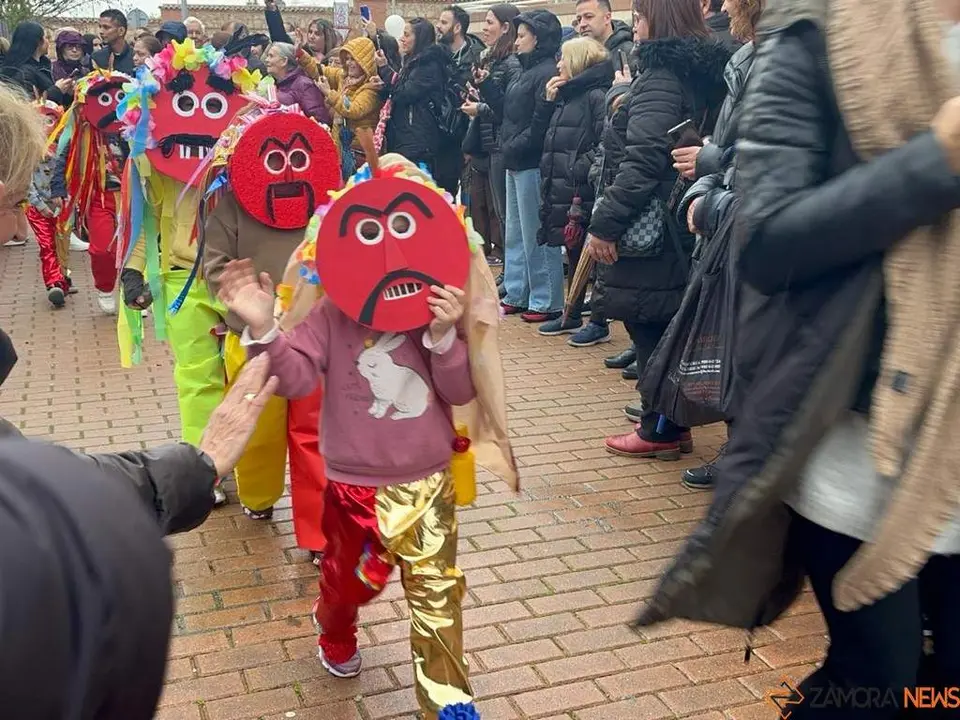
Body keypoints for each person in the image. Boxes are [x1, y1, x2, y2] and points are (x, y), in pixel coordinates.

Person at [638, 0, 960, 714]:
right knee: (875, 682)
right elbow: (768, 236)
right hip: (863, 432)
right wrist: (936, 162)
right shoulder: (822, 34)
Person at [217, 152, 502, 719]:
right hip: (352, 485)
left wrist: (445, 334)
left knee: (437, 591)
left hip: (426, 480)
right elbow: (294, 377)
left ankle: (448, 696)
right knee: (349, 584)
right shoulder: (329, 314)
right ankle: (334, 626)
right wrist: (263, 326)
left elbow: (459, 391)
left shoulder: (431, 309)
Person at [588, 0, 729, 460]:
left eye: (641, 16)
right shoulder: (691, 72)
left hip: (650, 227)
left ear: (658, 20)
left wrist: (605, 222)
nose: (635, 25)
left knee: (649, 322)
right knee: (663, 318)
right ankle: (666, 418)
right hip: (675, 222)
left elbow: (644, 158)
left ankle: (661, 427)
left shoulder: (661, 79)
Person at [670, 0, 761, 490]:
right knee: (734, 345)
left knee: (747, 347)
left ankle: (745, 459)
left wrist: (711, 178)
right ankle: (736, 451)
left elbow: (762, 164)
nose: (724, 6)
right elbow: (735, 149)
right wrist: (708, 180)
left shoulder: (781, 62)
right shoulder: (745, 59)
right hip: (723, 213)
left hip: (745, 229)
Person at [534, 37, 613, 343]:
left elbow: (605, 142)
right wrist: (547, 102)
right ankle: (572, 313)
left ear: (577, 61)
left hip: (586, 187)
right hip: (568, 188)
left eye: (563, 58)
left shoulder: (595, 96)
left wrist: (578, 167)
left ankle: (599, 321)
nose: (558, 65)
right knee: (574, 249)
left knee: (594, 254)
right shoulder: (565, 96)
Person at [492, 9, 564, 323]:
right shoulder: (523, 70)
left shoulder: (547, 71)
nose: (517, 41)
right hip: (514, 158)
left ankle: (546, 298)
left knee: (535, 231)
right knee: (516, 233)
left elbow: (539, 123)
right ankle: (518, 291)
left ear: (539, 38)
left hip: (531, 161)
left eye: (522, 35)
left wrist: (512, 146)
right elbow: (509, 113)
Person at [462, 4, 520, 270]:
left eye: (489, 22)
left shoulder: (511, 62)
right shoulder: (491, 59)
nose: (484, 28)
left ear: (506, 27)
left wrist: (480, 107)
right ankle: (512, 276)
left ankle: (514, 276)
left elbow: (509, 106)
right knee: (501, 214)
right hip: (489, 142)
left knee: (509, 217)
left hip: (502, 143)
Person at [378, 18, 455, 189]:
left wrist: (384, 69)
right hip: (405, 137)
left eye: (407, 35)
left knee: (418, 190)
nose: (402, 39)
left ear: (419, 38)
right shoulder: (412, 62)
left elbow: (406, 93)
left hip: (419, 141)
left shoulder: (429, 64)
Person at [298, 37, 382, 178]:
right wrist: (300, 53)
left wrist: (328, 93)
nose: (349, 63)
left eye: (353, 59)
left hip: (360, 154)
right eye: (347, 59)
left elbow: (353, 110)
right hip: (342, 149)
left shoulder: (372, 88)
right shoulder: (343, 77)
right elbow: (319, 70)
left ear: (365, 62)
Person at [26, 100, 72, 309]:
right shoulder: (27, 151)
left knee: (62, 243)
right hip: (37, 207)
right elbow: (25, 183)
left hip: (61, 204)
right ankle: (53, 283)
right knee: (47, 245)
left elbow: (70, 175)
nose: (46, 125)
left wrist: (67, 198)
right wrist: (39, 204)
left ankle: (62, 278)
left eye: (50, 120)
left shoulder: (64, 148)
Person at [0, 22, 73, 106]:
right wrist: (56, 90)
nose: (48, 42)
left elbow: (56, 104)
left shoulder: (43, 65)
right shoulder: (22, 72)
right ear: (39, 42)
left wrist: (66, 93)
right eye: (46, 37)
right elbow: (28, 106)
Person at [265, 42, 331, 124]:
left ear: (284, 61)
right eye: (267, 56)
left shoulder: (304, 85)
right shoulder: (277, 84)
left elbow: (319, 119)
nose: (266, 60)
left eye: (271, 56)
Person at [264, 0, 339, 63]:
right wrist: (271, 8)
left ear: (327, 38)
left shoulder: (335, 58)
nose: (312, 36)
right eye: (310, 32)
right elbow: (279, 39)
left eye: (317, 34)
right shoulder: (301, 52)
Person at [575, 0, 635, 67]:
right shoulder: (577, 54)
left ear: (607, 18)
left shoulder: (628, 53)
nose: (582, 24)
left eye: (589, 17)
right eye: (579, 19)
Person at [438, 5, 484, 89]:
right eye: (439, 22)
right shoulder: (434, 54)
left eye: (444, 23)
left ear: (457, 28)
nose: (438, 26)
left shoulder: (479, 57)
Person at [92, 9, 134, 74]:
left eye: (106, 27)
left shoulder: (135, 57)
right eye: (100, 27)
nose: (101, 32)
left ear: (121, 31)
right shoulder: (97, 57)